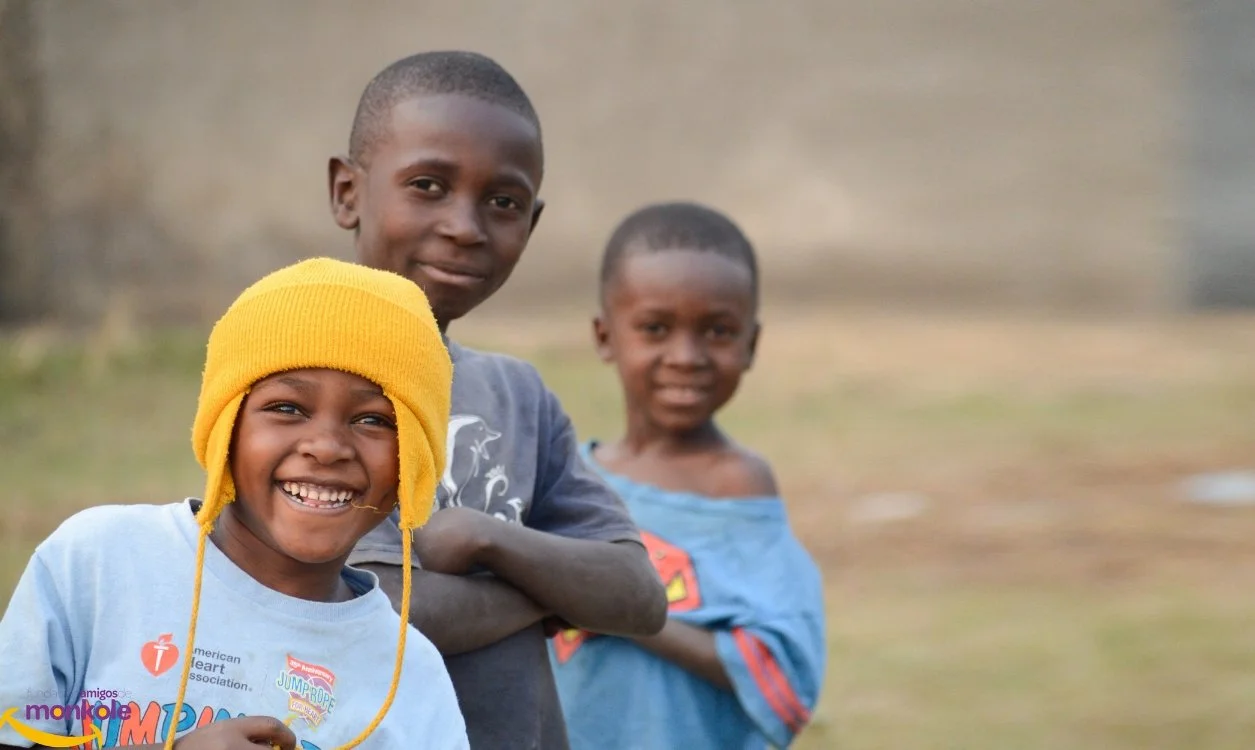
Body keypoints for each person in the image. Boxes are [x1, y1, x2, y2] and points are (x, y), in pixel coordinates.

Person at [326, 51, 667, 749]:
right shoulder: (298, 384)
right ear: (347, 192)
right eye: (427, 185)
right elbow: (373, 614)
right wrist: (550, 592)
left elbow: (638, 596)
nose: (465, 225)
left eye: (502, 202)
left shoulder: (517, 395)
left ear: (531, 224)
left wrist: (489, 538)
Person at [0, 258, 468, 750]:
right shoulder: (97, 565)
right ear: (226, 425)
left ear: (413, 458)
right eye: (287, 408)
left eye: (374, 420)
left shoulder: (410, 677)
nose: (327, 447)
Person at [548, 202, 827, 749]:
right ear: (605, 336)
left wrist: (634, 617)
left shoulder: (736, 487)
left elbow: (784, 668)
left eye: (718, 331)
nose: (686, 357)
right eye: (655, 328)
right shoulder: (569, 479)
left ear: (751, 343)